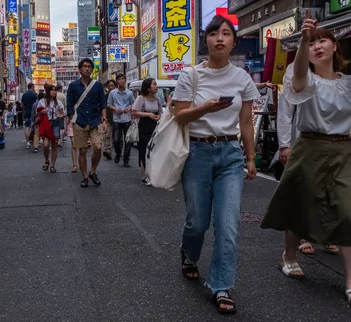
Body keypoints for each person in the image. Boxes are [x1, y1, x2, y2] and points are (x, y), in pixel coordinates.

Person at [260, 10, 351, 308]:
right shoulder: (303, 77)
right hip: (309, 148)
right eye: (313, 43)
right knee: (301, 206)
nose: (318, 46)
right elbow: (297, 78)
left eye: (323, 41)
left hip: (344, 152)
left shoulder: (349, 83)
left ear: (335, 46)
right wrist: (302, 41)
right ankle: (289, 255)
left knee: (349, 213)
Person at [173, 15, 259, 314]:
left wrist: (250, 158)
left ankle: (221, 286)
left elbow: (246, 122)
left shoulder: (243, 78)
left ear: (234, 41)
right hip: (197, 152)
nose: (220, 38)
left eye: (226, 33)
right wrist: (205, 107)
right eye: (213, 33)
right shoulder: (190, 76)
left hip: (230, 154)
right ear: (206, 40)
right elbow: (179, 116)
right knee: (197, 221)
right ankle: (188, 253)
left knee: (228, 224)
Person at [276, 93, 340, 256]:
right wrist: (284, 144)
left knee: (329, 191)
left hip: (332, 143)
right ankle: (304, 235)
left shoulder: (336, 80)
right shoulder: (296, 77)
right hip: (303, 143)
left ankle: (326, 234)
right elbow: (285, 113)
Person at [67, 58, 107, 188]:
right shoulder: (73, 86)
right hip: (80, 121)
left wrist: (104, 120)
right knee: (82, 150)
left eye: (89, 66)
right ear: (79, 69)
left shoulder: (97, 85)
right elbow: (69, 106)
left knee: (98, 147)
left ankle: (93, 171)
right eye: (84, 66)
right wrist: (73, 120)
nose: (87, 68)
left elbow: (103, 104)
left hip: (95, 121)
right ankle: (84, 176)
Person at [131, 78, 162, 185]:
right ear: (148, 87)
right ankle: (144, 174)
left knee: (154, 150)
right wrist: (148, 114)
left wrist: (158, 116)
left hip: (155, 126)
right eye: (154, 84)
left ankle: (152, 173)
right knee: (143, 149)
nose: (156, 86)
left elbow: (160, 112)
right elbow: (134, 112)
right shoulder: (141, 98)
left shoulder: (157, 99)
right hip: (144, 126)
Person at [107, 74, 135, 167]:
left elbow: (133, 104)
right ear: (117, 82)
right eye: (119, 79)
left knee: (128, 141)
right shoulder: (113, 93)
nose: (121, 81)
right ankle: (118, 154)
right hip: (116, 120)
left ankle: (126, 160)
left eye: (123, 79)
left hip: (127, 119)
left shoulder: (129, 93)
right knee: (116, 140)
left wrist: (129, 108)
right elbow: (109, 104)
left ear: (125, 81)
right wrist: (115, 109)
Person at [37, 84, 65, 172]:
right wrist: (41, 112)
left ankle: (52, 165)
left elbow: (63, 113)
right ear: (48, 91)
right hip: (46, 123)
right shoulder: (42, 101)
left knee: (54, 144)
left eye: (54, 90)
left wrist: (60, 116)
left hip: (55, 123)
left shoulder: (58, 102)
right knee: (45, 145)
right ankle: (46, 160)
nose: (54, 92)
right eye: (52, 90)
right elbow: (36, 113)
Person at [103, 80, 117, 160]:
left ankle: (118, 151)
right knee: (107, 135)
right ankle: (108, 151)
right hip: (108, 119)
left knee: (117, 138)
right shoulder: (105, 96)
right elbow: (103, 107)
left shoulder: (118, 95)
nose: (111, 87)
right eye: (109, 86)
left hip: (118, 119)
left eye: (112, 85)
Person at [22, 83, 38, 148]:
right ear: (32, 87)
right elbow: (37, 103)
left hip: (26, 112)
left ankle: (27, 142)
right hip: (34, 113)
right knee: (35, 126)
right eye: (34, 87)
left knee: (27, 127)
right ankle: (35, 140)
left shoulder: (24, 95)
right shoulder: (35, 94)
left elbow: (22, 105)